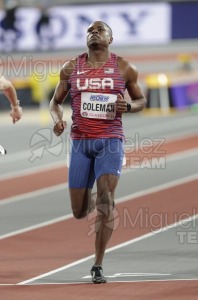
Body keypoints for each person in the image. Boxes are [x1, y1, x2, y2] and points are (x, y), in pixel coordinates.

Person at [49, 20, 146, 284]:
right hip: (80, 143)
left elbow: (140, 100)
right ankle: (92, 197)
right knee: (79, 212)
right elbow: (55, 102)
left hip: (110, 141)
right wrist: (57, 120)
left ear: (110, 39)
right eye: (90, 30)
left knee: (106, 200)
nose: (94, 33)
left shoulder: (124, 68)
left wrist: (130, 107)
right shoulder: (71, 68)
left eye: (100, 30)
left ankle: (98, 264)